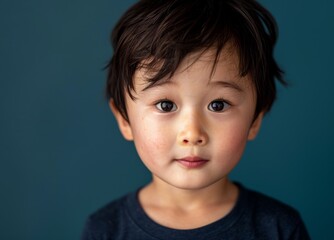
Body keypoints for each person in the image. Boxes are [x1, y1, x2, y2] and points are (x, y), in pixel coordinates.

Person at [81, 0, 310, 239]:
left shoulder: (279, 228)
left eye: (218, 105)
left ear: (255, 120)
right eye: (166, 105)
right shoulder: (105, 230)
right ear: (125, 120)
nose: (192, 133)